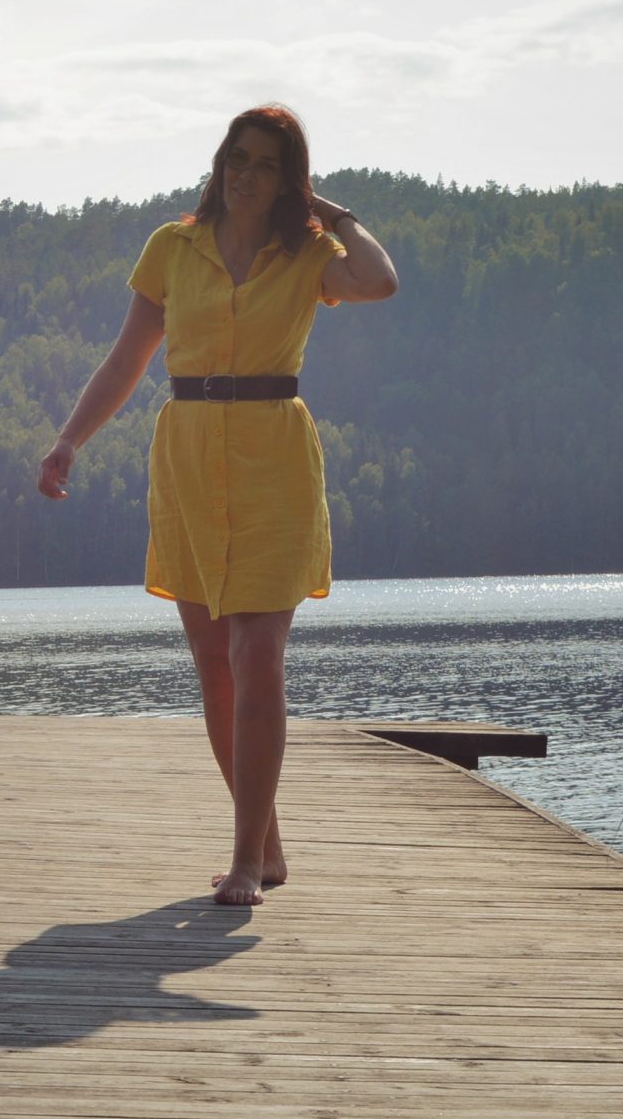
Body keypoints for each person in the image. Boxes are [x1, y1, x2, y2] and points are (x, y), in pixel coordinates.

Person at [37, 105, 400, 905]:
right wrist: (70, 440)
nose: (245, 174)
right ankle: (266, 842)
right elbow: (128, 357)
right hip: (190, 457)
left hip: (272, 458)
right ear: (218, 163)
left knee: (256, 657)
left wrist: (330, 209)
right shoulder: (174, 246)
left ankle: (243, 863)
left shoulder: (309, 252)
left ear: (288, 179)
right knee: (213, 665)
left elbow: (380, 279)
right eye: (236, 158)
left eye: (266, 164)